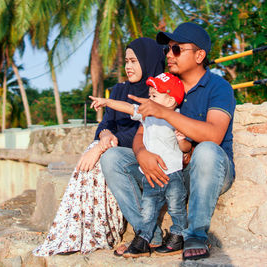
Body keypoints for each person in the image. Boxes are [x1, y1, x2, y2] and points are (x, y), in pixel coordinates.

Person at [101, 22, 236, 261]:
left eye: (177, 49)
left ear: (199, 55)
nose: (169, 55)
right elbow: (143, 128)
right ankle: (148, 234)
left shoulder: (217, 87)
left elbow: (214, 135)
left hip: (207, 171)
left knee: (206, 150)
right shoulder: (163, 84)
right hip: (171, 170)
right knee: (112, 158)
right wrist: (141, 152)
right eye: (168, 49)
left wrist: (166, 113)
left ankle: (194, 235)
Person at [32, 37, 165, 256]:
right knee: (96, 153)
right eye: (126, 61)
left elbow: (145, 129)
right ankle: (82, 230)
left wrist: (102, 146)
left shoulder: (158, 92)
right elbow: (105, 123)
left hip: (142, 153)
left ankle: (106, 231)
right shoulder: (119, 90)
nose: (128, 66)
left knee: (102, 156)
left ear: (148, 60)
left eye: (134, 61)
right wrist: (104, 137)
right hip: (114, 147)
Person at [90, 72, 190, 257]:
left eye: (154, 96)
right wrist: (107, 102)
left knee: (176, 207)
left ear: (169, 101)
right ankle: (144, 240)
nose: (149, 99)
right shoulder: (147, 115)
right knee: (148, 210)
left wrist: (182, 140)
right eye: (149, 95)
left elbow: (185, 147)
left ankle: (178, 236)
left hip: (173, 173)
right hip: (151, 174)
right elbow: (128, 107)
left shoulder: (176, 117)